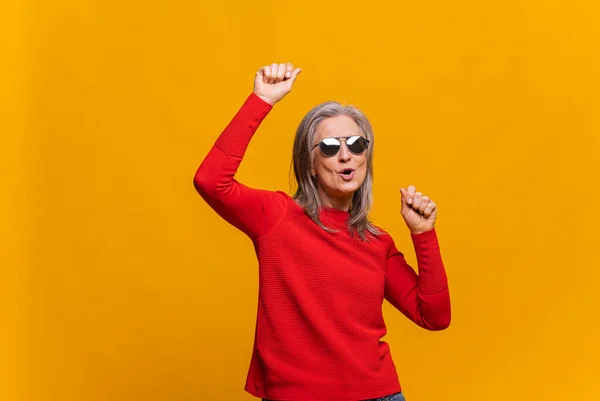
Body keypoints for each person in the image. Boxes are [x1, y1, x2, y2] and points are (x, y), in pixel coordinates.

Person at [194, 62, 451, 401]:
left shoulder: (376, 242)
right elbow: (210, 181)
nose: (346, 155)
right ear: (310, 166)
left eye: (356, 144)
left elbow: (433, 316)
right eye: (330, 146)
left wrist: (423, 234)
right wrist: (261, 100)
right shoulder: (277, 217)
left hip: (378, 395)